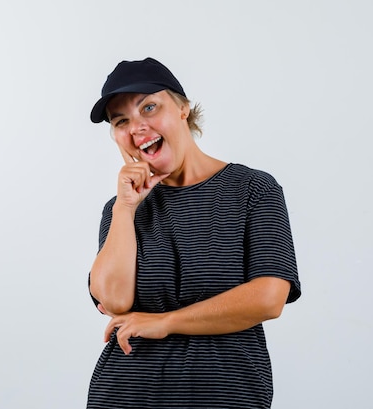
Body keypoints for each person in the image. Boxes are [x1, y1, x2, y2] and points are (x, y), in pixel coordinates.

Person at [86, 57, 301, 409]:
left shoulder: (252, 190)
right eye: (121, 121)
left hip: (224, 395)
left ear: (184, 108)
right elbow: (113, 301)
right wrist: (125, 210)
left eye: (149, 107)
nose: (137, 127)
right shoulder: (120, 208)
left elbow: (268, 297)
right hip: (124, 394)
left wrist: (166, 322)